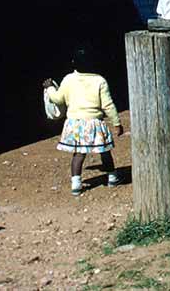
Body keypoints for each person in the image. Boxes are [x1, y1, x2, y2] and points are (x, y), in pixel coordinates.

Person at [43, 47, 124, 196]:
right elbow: (108, 105)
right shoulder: (99, 80)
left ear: (73, 63)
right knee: (105, 152)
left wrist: (49, 88)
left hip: (75, 124)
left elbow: (57, 99)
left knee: (79, 154)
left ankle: (76, 184)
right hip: (95, 123)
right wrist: (116, 123)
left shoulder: (69, 79)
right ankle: (112, 177)